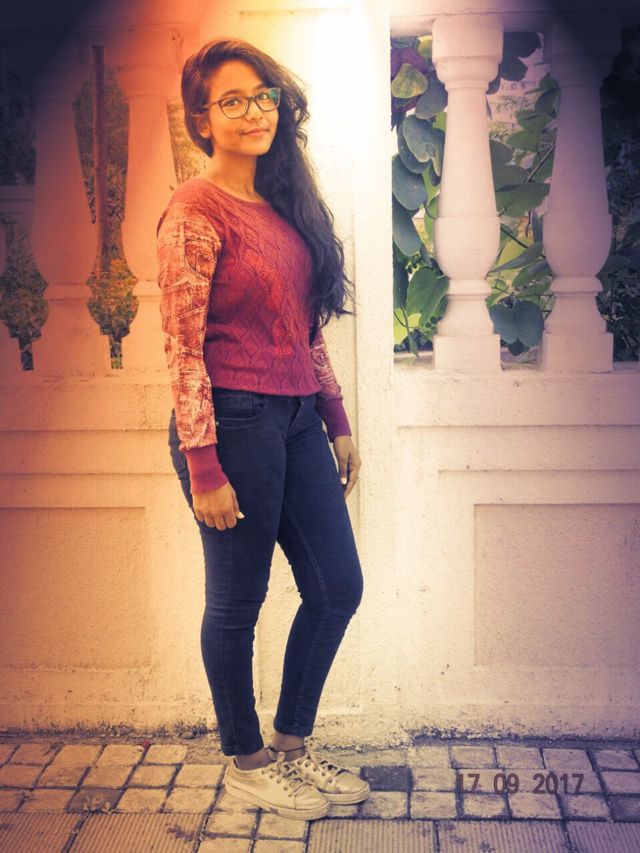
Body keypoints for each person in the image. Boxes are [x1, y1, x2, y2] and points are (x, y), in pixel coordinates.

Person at [156, 36, 369, 821]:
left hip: (297, 417)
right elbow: (182, 345)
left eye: (263, 96)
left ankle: (289, 745)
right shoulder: (194, 210)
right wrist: (204, 464)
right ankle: (246, 761)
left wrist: (334, 416)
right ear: (202, 120)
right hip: (232, 423)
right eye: (233, 100)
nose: (254, 111)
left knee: (337, 586)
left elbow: (303, 329)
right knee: (237, 603)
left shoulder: (283, 207)